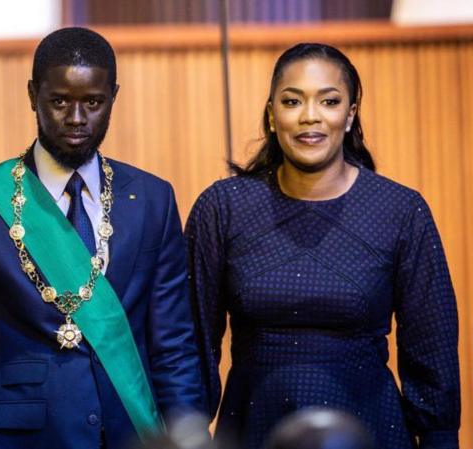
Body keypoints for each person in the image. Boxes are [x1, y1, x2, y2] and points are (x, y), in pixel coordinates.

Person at [186, 42, 460, 449]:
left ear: (349, 115)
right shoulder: (223, 207)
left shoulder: (401, 210)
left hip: (371, 427)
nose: (309, 116)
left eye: (329, 101)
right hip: (254, 424)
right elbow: (193, 338)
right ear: (272, 115)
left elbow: (431, 346)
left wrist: (439, 438)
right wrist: (188, 426)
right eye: (292, 101)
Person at [0, 27, 204, 449]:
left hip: (130, 432)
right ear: (32, 95)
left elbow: (173, 344)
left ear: (113, 97)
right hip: (23, 437)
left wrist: (190, 437)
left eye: (93, 103)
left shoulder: (153, 199)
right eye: (59, 101)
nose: (77, 119)